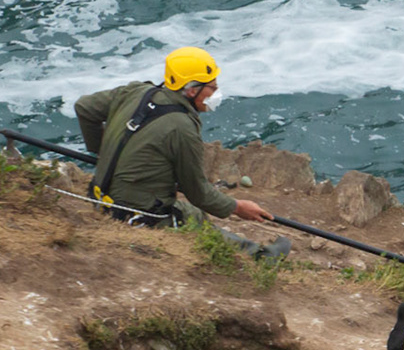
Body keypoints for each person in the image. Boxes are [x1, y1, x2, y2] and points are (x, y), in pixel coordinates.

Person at [73, 46, 271, 227]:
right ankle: (258, 255)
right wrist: (237, 207)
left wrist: (103, 153)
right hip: (132, 216)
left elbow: (84, 107)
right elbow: (198, 193)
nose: (217, 93)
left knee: (192, 213)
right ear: (192, 90)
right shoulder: (182, 128)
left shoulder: (136, 91)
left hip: (98, 196)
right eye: (212, 87)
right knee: (194, 218)